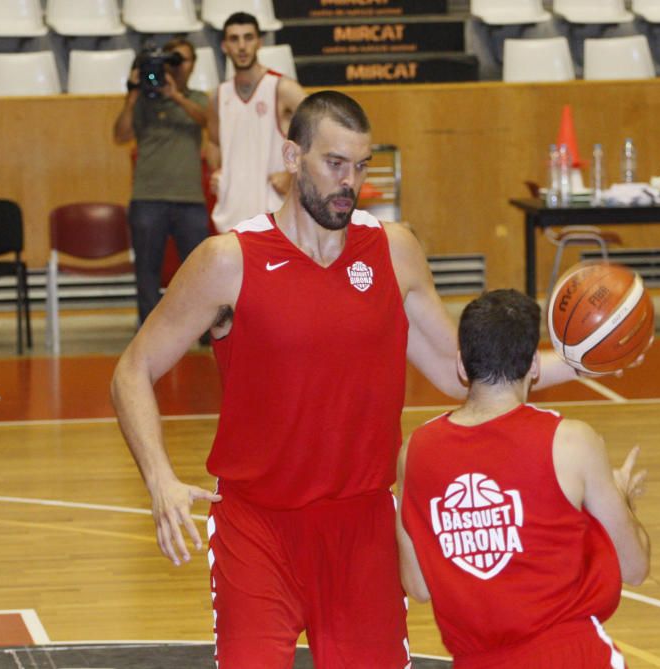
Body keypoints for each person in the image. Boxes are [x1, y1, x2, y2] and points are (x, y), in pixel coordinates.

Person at [111, 91, 584, 668]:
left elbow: (462, 372)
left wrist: (579, 360)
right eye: (335, 164)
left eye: (361, 167)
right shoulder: (228, 261)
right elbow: (133, 369)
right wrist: (159, 478)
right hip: (258, 529)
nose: (349, 182)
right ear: (292, 156)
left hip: (362, 529)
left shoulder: (394, 251)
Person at [396, 289, 651, 669]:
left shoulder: (414, 452)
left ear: (462, 366)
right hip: (570, 655)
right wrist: (622, 499)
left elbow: (417, 586)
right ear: (533, 364)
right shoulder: (570, 440)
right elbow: (634, 567)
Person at [112, 38, 211, 326]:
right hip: (148, 196)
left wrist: (176, 95)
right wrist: (132, 94)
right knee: (146, 271)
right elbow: (120, 135)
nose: (178, 66)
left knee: (200, 270)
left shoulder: (197, 98)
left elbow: (207, 121)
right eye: (173, 59)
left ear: (192, 65)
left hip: (189, 198)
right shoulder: (143, 99)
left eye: (183, 60)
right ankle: (149, 333)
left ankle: (203, 331)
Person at [208, 11, 306, 233]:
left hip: (273, 211)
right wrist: (216, 172)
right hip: (232, 213)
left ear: (259, 42)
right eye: (234, 39)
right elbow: (213, 142)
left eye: (248, 37)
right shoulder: (218, 95)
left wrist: (294, 173)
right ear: (224, 46)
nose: (242, 46)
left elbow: (320, 132)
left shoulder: (282, 88)